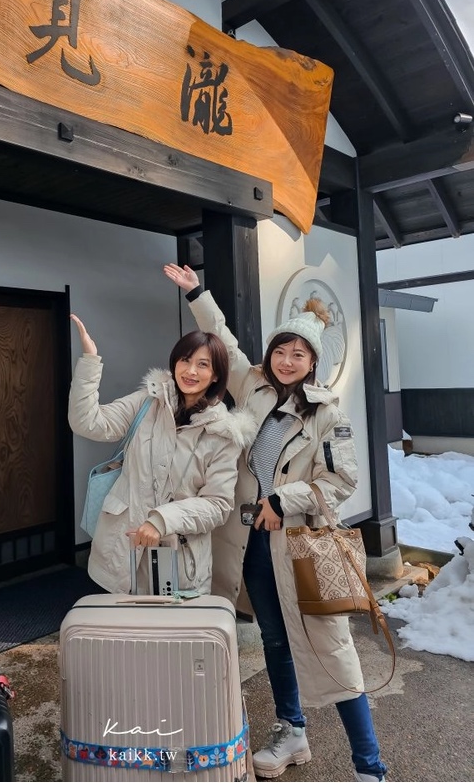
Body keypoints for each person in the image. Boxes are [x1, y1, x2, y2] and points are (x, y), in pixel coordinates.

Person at [168, 264, 388, 782]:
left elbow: (341, 479)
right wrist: (198, 291)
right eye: (281, 351)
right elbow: (222, 337)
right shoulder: (252, 384)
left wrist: (282, 499)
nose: (287, 361)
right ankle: (293, 732)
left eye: (299, 354)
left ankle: (370, 768)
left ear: (313, 362)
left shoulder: (328, 414)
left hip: (299, 549)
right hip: (249, 545)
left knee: (332, 650)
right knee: (272, 638)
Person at [68, 315, 242, 597]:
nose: (190, 371)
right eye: (185, 360)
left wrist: (162, 520)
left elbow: (218, 504)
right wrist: (90, 360)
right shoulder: (146, 401)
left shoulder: (223, 434)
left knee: (170, 639)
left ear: (216, 375)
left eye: (203, 364)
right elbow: (86, 422)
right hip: (120, 555)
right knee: (120, 637)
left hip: (180, 562)